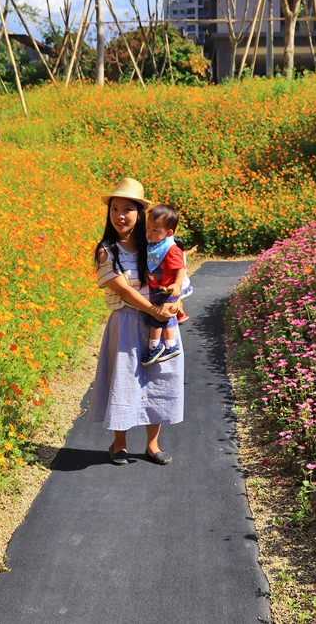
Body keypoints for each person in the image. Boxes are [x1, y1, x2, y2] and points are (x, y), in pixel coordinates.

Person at [88, 178, 183, 466]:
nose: (119, 216)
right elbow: (124, 290)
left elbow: (179, 275)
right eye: (114, 209)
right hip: (128, 322)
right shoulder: (107, 250)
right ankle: (119, 444)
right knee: (125, 379)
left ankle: (153, 445)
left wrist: (175, 302)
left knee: (160, 379)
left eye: (127, 209)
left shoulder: (157, 243)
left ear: (139, 212)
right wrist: (155, 311)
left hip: (163, 321)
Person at [141, 204, 187, 366]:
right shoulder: (154, 245)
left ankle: (155, 346)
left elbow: (180, 268)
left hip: (167, 290)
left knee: (157, 317)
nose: (149, 233)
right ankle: (170, 345)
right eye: (148, 228)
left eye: (155, 230)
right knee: (165, 318)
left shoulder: (171, 249)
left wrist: (177, 284)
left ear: (169, 233)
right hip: (157, 289)